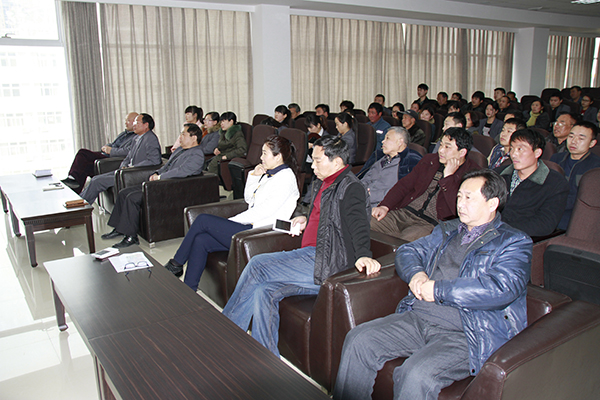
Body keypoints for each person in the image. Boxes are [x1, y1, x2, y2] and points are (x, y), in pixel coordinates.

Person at [333, 169, 532, 400]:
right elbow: (408, 251)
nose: (460, 203)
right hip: (418, 319)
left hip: (466, 333)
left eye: (469, 198)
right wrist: (416, 274)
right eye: (459, 196)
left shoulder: (513, 242)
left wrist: (438, 291)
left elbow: (501, 288)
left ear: (492, 203)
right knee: (359, 340)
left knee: (415, 374)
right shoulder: (448, 230)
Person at [222, 136, 379, 356]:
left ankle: (224, 331)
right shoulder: (324, 181)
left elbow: (359, 225)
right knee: (263, 290)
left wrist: (364, 255)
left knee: (258, 265)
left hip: (326, 262)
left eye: (317, 161)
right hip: (312, 257)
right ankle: (265, 356)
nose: (312, 166)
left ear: (337, 162)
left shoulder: (351, 187)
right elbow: (326, 215)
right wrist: (305, 218)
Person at [164, 135, 300, 291]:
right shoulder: (270, 174)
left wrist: (232, 221)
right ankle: (188, 291)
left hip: (260, 232)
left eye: (264, 153)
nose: (260, 157)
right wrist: (254, 176)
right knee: (201, 240)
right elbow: (250, 199)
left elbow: (263, 211)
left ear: (278, 157)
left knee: (202, 220)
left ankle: (176, 264)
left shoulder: (285, 178)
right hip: (251, 226)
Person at [102, 124, 207, 248]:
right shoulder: (180, 150)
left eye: (183, 134)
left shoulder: (197, 154)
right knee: (124, 193)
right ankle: (119, 228)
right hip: (160, 184)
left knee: (132, 198)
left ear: (194, 138)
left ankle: (131, 237)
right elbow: (167, 166)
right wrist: (157, 173)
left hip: (172, 188)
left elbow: (181, 171)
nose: (180, 137)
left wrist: (161, 177)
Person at [371, 127, 480, 242]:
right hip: (405, 212)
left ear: (462, 152)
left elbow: (458, 209)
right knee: (365, 224)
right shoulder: (430, 160)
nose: (441, 150)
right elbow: (404, 185)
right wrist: (385, 206)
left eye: (447, 147)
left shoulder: (473, 175)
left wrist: (448, 178)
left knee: (405, 245)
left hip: (430, 223)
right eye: (441, 145)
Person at [499, 128, 569, 237]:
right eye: (512, 148)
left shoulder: (555, 183)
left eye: (520, 149)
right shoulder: (498, 174)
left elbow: (545, 224)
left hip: (520, 238)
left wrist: (500, 228)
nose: (513, 154)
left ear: (537, 152)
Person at [80, 113, 162, 205]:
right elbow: (128, 157)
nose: (134, 125)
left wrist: (134, 167)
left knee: (97, 182)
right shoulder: (136, 138)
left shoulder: (151, 139)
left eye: (137, 122)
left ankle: (82, 206)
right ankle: (79, 201)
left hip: (133, 174)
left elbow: (155, 160)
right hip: (124, 171)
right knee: (95, 178)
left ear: (146, 125)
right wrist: (123, 166)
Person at [62, 112, 139, 193]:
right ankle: (74, 192)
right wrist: (106, 147)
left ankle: (72, 178)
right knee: (85, 167)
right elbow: (112, 144)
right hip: (105, 155)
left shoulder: (136, 137)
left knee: (83, 153)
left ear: (135, 122)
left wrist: (111, 150)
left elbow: (128, 151)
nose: (125, 123)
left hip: (112, 159)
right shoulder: (123, 134)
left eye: (128, 120)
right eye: (125, 120)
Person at [550, 121, 600, 230]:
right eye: (571, 136)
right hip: (549, 208)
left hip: (574, 214)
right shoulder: (556, 158)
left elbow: (585, 199)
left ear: (592, 143)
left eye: (581, 138)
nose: (573, 141)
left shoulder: (596, 167)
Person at [358, 126, 422, 207]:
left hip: (379, 206)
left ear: (399, 142)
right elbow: (366, 178)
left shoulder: (409, 164)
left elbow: (400, 192)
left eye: (387, 138)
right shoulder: (379, 158)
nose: (383, 141)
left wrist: (369, 196)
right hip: (360, 199)